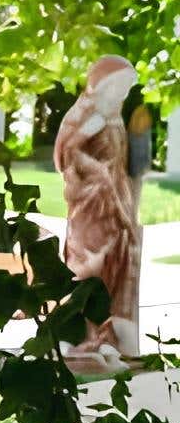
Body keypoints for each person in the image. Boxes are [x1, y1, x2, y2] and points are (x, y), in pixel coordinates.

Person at [54, 54, 144, 365]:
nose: (122, 94)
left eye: (125, 89)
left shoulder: (113, 116)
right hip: (91, 206)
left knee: (114, 267)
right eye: (118, 87)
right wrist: (98, 173)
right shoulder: (94, 117)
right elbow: (69, 152)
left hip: (113, 202)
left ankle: (108, 336)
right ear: (103, 86)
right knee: (90, 266)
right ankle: (82, 335)